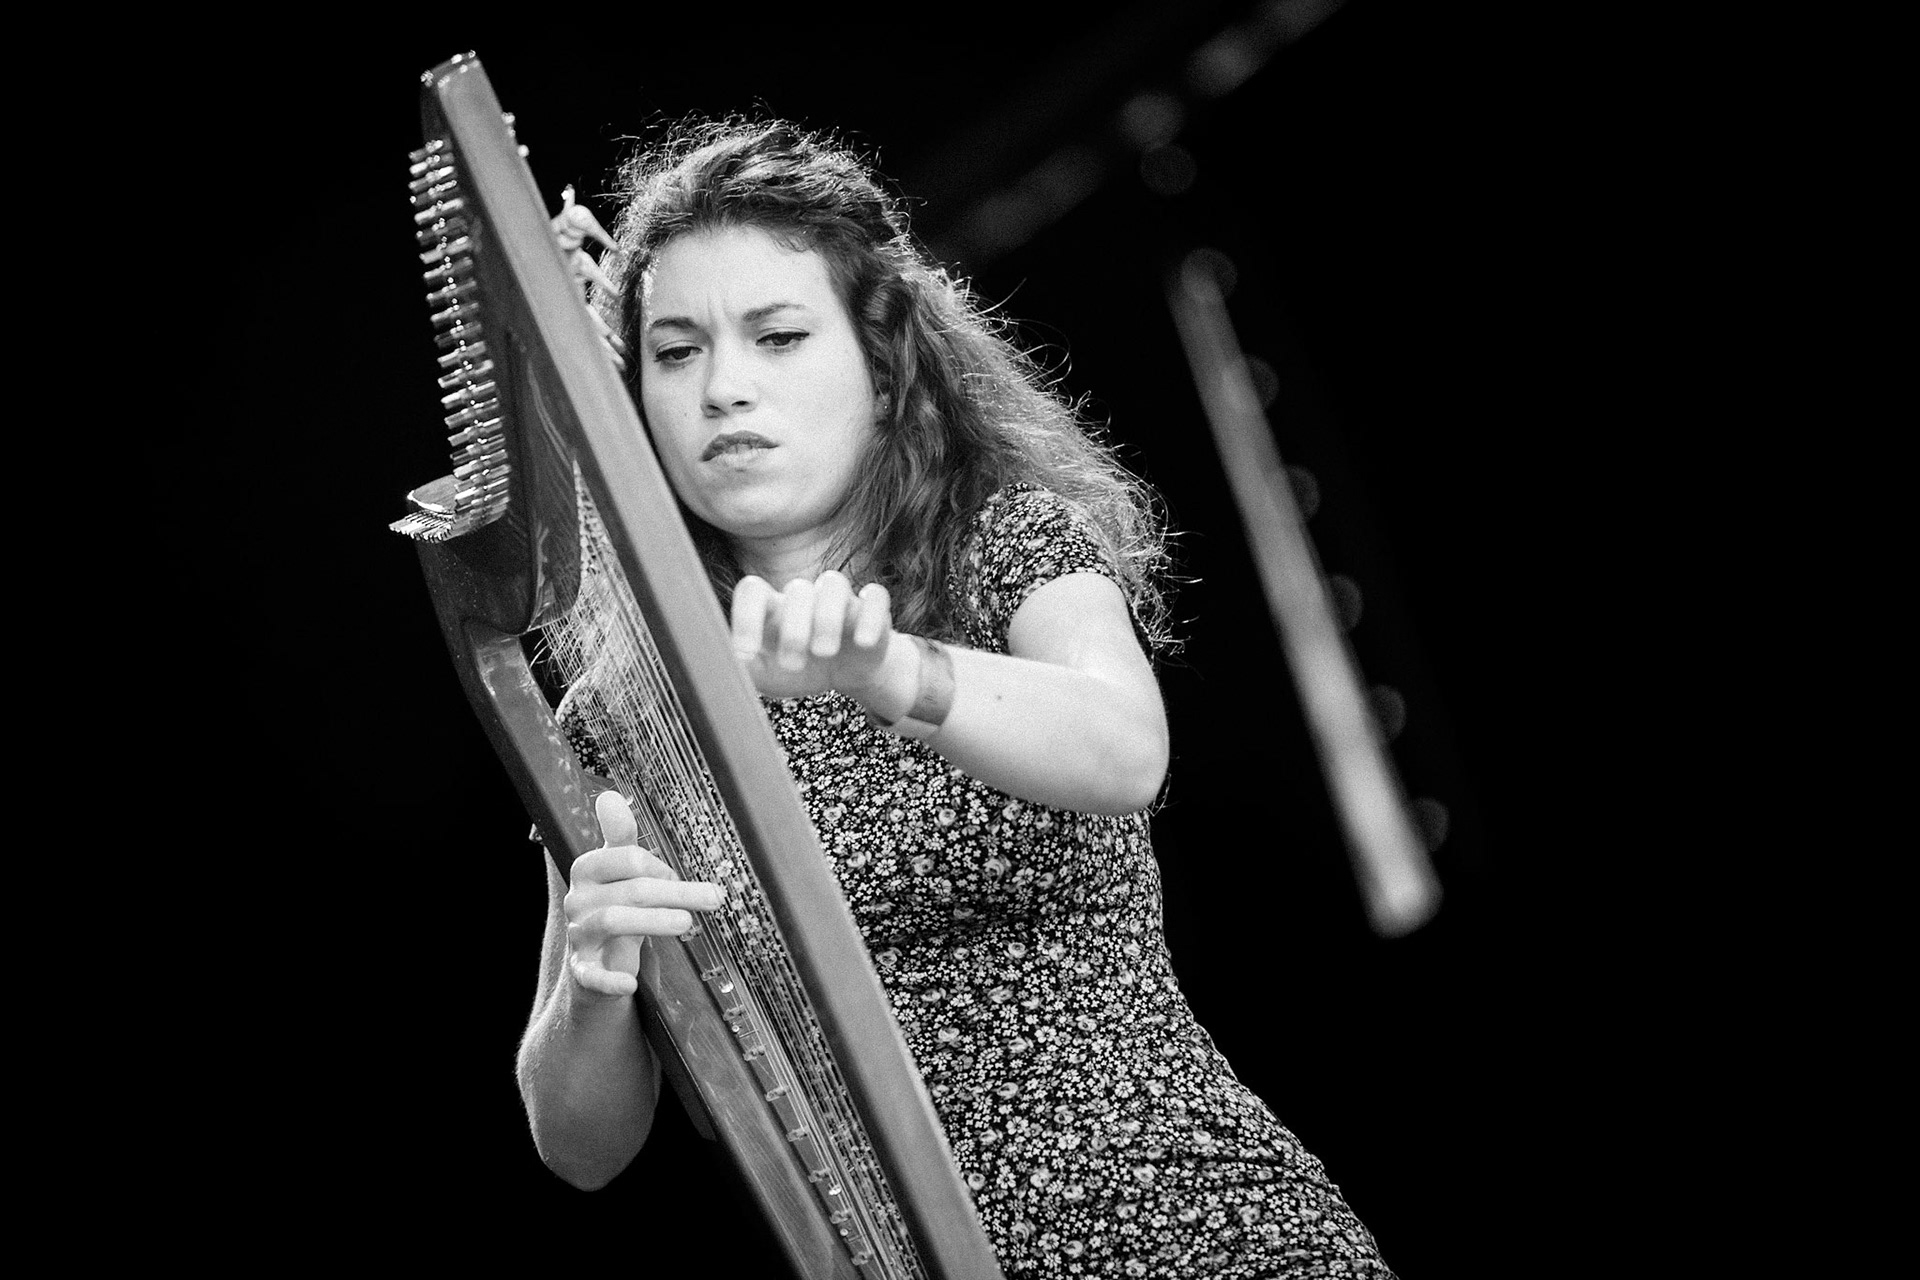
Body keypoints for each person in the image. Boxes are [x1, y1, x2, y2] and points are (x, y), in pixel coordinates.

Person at [517, 118, 1395, 1279]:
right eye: (675, 353)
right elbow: (580, 1145)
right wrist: (593, 974)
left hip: (1189, 1220)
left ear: (883, 368)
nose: (724, 388)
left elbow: (1124, 746)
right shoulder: (620, 712)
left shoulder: (1002, 545)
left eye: (777, 337)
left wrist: (885, 672)